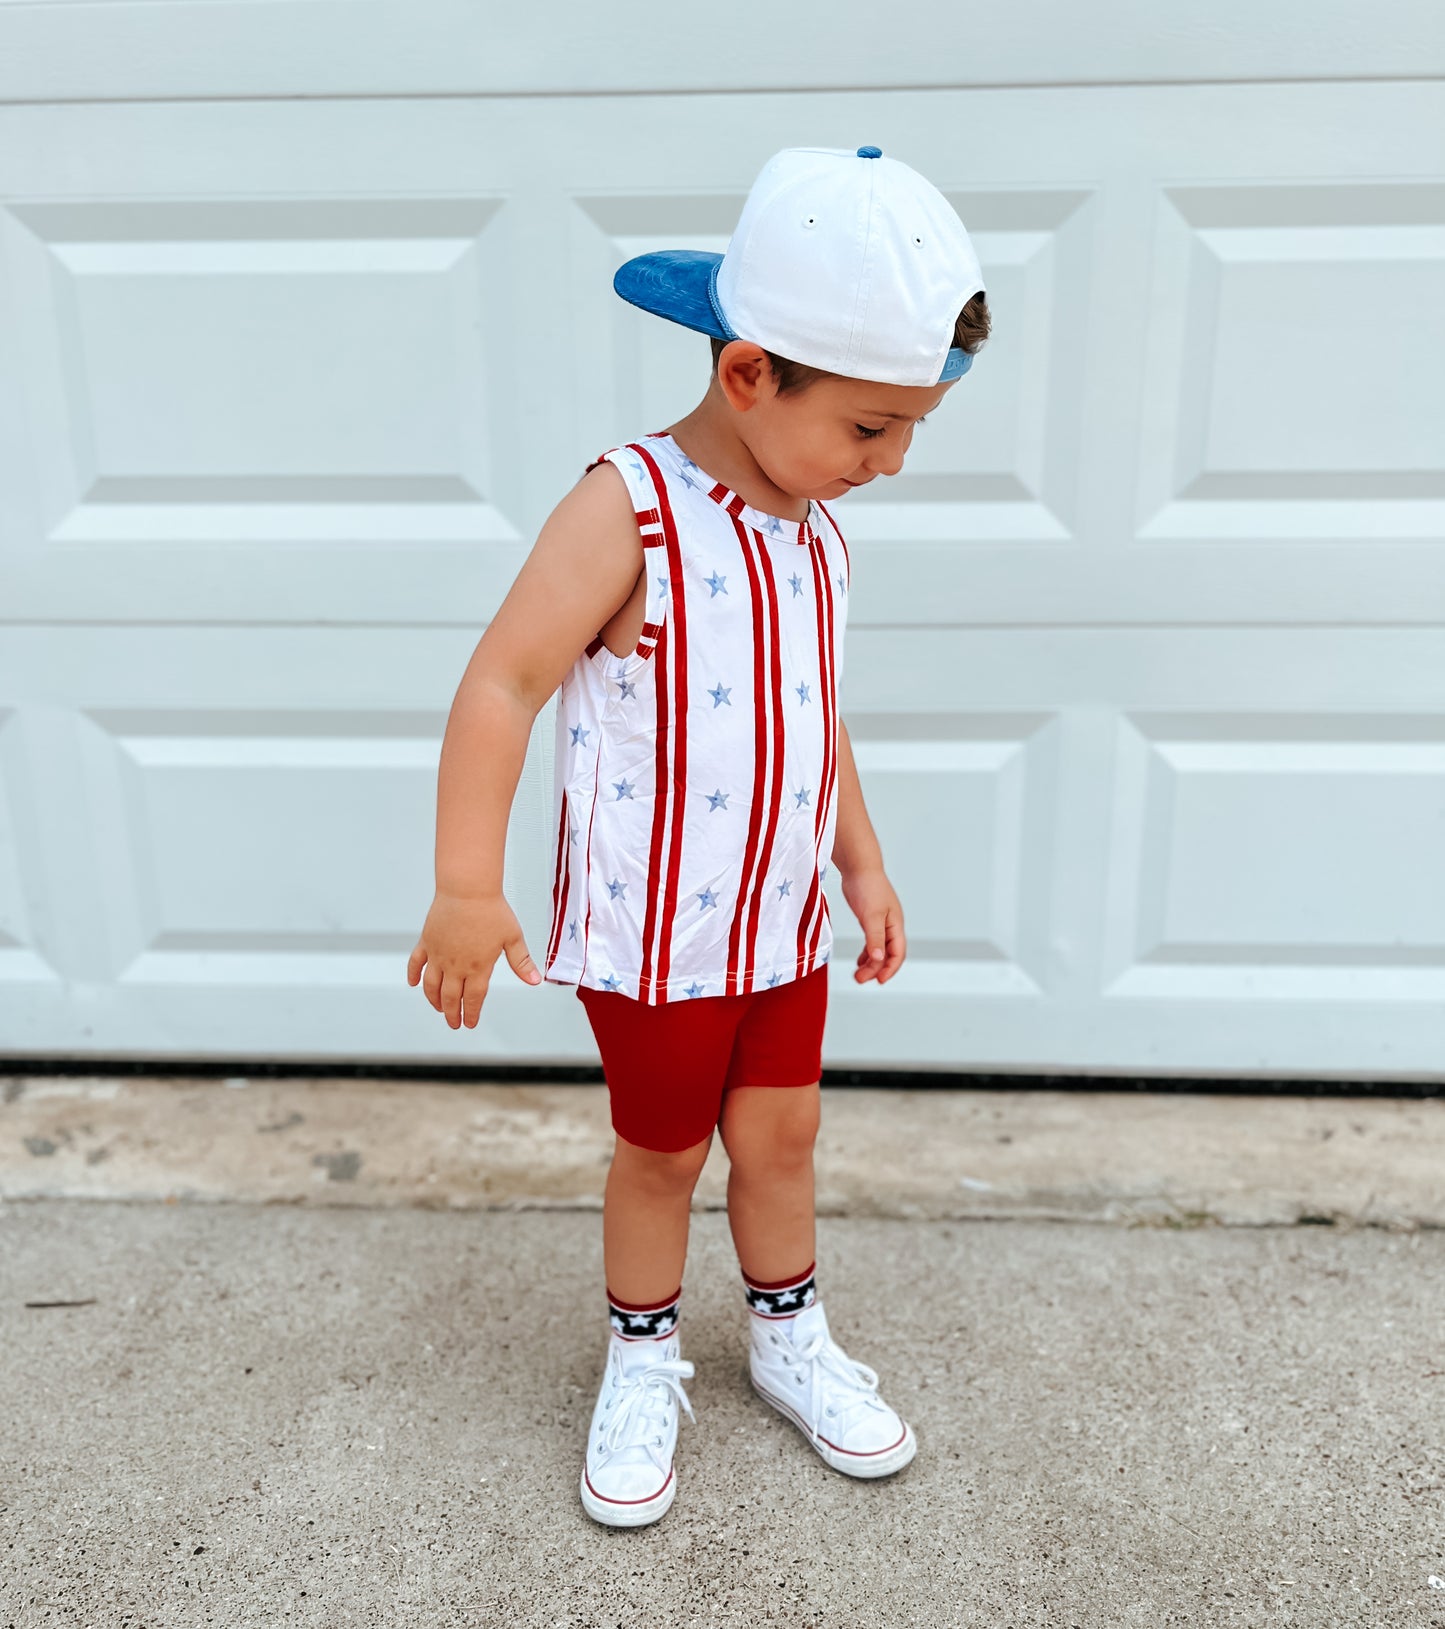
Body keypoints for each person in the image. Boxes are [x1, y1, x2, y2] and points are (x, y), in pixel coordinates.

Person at [407, 145, 991, 1527]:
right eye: (870, 426)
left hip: (776, 921)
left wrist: (860, 857)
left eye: (913, 424)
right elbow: (502, 681)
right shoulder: (629, 509)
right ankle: (643, 1352)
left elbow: (813, 712)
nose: (893, 459)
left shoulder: (814, 531)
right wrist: (462, 884)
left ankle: (787, 1335)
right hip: (654, 928)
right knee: (665, 1150)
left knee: (781, 1137)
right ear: (747, 376)